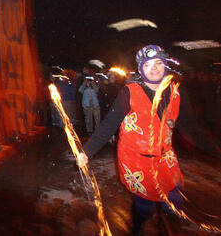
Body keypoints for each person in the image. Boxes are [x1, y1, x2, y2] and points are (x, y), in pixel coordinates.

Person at [76, 45, 221, 235]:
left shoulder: (176, 92)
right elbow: (108, 125)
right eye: (148, 65)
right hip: (137, 163)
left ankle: (168, 226)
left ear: (165, 65)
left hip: (165, 160)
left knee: (174, 201)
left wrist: (217, 151)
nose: (154, 68)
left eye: (159, 63)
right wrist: (87, 151)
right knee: (144, 205)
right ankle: (138, 228)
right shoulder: (129, 93)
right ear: (141, 68)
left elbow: (191, 127)